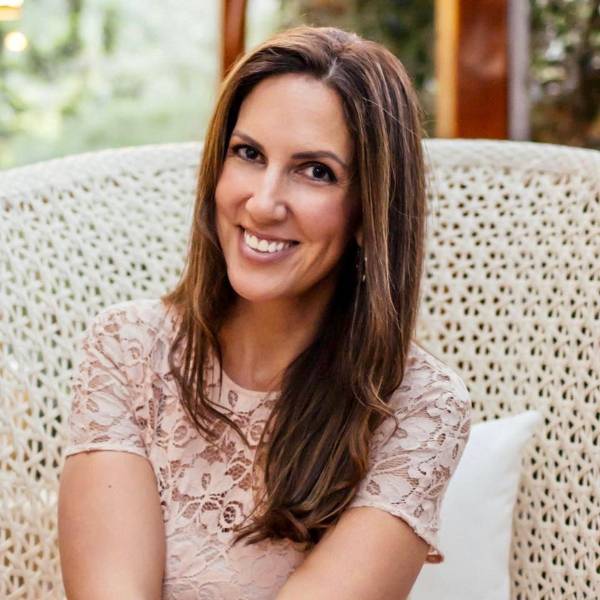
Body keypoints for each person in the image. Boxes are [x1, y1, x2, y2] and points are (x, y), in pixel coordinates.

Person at [58, 25, 471, 600]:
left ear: (369, 212)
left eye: (316, 171)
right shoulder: (128, 349)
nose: (263, 202)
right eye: (248, 154)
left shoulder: (418, 407)